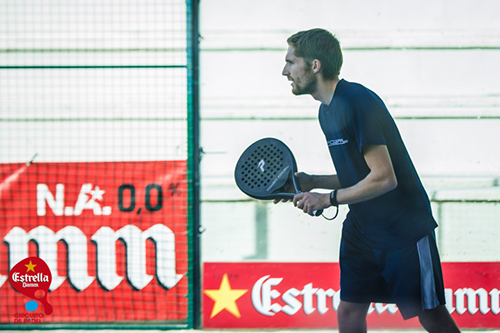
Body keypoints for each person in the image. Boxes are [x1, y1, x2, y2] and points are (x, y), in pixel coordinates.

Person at [279, 28, 460, 333]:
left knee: (431, 316)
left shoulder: (357, 101)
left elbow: (384, 178)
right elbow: (359, 175)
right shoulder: (326, 112)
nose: (284, 71)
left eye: (290, 62)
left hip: (403, 229)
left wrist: (327, 198)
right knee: (349, 312)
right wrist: (312, 181)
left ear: (314, 65)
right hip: (362, 229)